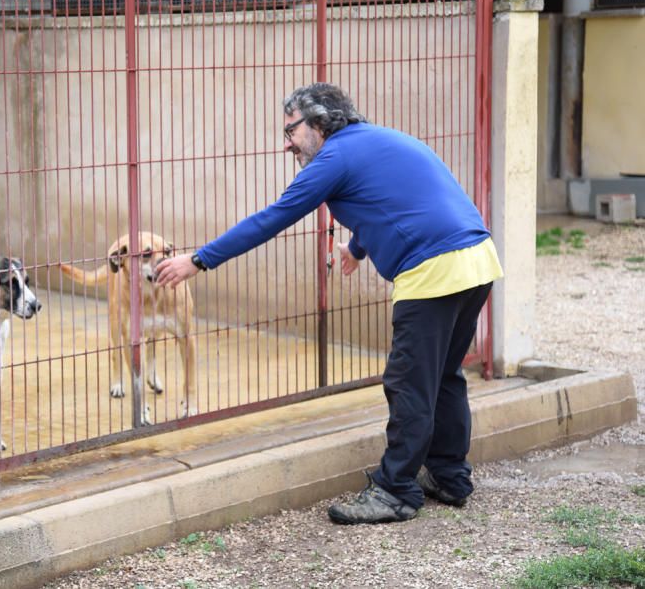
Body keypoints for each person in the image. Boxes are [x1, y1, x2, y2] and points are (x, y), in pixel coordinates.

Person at [154, 83, 503, 524]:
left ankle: (395, 490)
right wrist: (357, 250)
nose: (287, 143)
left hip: (432, 270)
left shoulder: (334, 157)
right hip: (477, 260)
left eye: (291, 130)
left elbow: (272, 218)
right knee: (444, 376)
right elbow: (395, 199)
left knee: (408, 382)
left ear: (319, 123)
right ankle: (450, 478)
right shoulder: (379, 140)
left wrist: (199, 260)